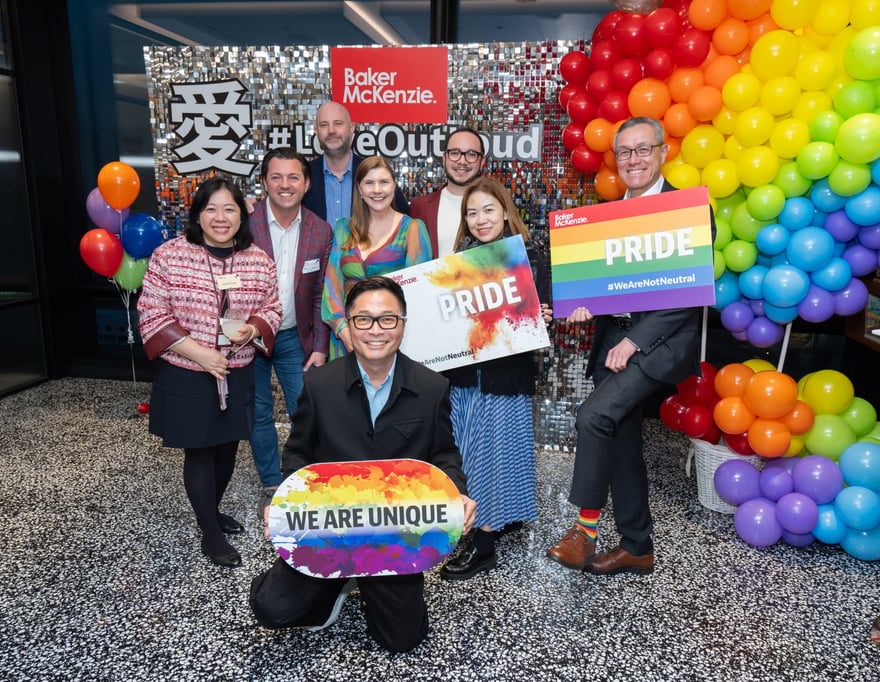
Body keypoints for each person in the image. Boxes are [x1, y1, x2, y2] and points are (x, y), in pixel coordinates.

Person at [250, 275, 476, 653]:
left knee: (403, 639)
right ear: (348, 327)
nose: (375, 330)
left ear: (402, 325)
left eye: (387, 319)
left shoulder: (432, 387)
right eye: (363, 320)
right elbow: (299, 455)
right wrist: (282, 500)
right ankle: (334, 586)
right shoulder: (319, 385)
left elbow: (444, 455)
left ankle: (364, 583)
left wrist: (458, 494)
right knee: (272, 610)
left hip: (393, 533)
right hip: (329, 525)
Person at [546, 117, 708, 576]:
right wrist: (582, 306)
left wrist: (636, 341)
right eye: (624, 152)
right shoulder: (610, 212)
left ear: (663, 152)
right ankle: (638, 546)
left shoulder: (686, 210)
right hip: (611, 341)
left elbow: (688, 292)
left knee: (593, 416)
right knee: (620, 441)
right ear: (615, 159)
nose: (633, 160)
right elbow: (607, 287)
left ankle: (584, 531)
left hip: (657, 344)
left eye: (643, 150)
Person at [138, 177, 281, 568]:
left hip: (236, 371)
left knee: (227, 450)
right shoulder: (169, 256)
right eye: (211, 209)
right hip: (187, 370)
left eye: (229, 209)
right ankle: (211, 533)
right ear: (198, 214)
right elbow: (152, 313)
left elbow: (272, 308)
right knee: (199, 452)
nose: (221, 218)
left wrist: (252, 330)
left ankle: (211, 511)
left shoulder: (257, 260)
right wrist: (201, 354)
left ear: (242, 215)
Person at [439, 176, 552, 581]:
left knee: (498, 454)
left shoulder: (528, 256)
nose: (480, 219)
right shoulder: (456, 262)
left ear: (505, 211)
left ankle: (484, 546)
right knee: (469, 452)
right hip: (466, 375)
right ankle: (486, 518)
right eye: (472, 212)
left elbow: (543, 311)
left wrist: (543, 315)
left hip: (506, 376)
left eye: (488, 210)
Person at [248, 148, 333, 517]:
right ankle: (271, 481)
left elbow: (320, 294)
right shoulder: (244, 223)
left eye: (293, 177)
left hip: (294, 337)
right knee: (259, 412)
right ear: (265, 181)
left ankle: (300, 477)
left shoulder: (320, 229)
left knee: (306, 409)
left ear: (306, 183)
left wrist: (319, 345)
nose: (285, 185)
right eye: (277, 177)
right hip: (247, 337)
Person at [321, 155, 432, 358]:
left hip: (391, 340)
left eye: (384, 182)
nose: (377, 190)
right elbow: (332, 285)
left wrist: (385, 332)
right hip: (346, 340)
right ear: (360, 189)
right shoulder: (343, 228)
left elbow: (418, 295)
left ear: (394, 185)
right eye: (369, 183)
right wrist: (343, 329)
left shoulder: (412, 229)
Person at [303, 101, 409, 225]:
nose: (331, 130)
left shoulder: (374, 173)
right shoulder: (304, 175)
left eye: (338, 123)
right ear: (316, 131)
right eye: (324, 125)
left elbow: (403, 220)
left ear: (351, 128)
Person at [409, 127, 486, 258]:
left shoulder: (498, 206)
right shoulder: (419, 207)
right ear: (444, 158)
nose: (462, 161)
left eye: (471, 154)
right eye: (455, 153)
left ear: (482, 162)